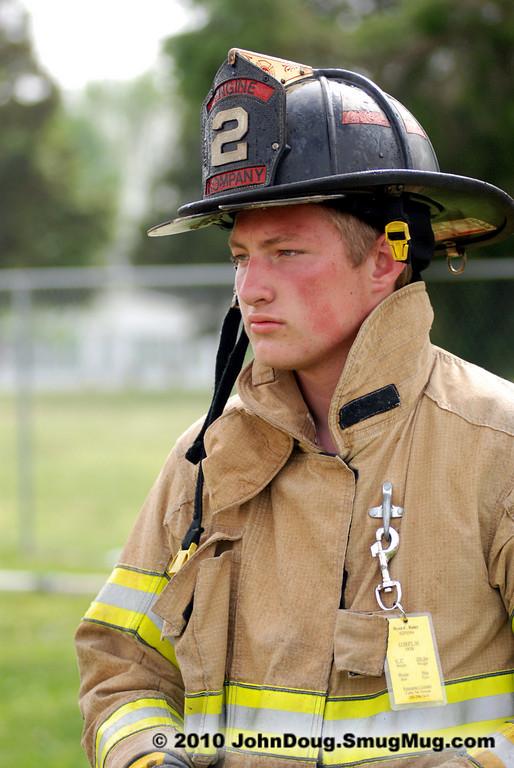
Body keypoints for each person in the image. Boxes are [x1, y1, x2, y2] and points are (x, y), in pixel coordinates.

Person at [76, 48, 514, 768]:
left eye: (285, 252)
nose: (252, 288)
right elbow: (124, 666)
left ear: (384, 259)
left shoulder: (494, 445)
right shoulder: (205, 459)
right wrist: (149, 756)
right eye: (241, 257)